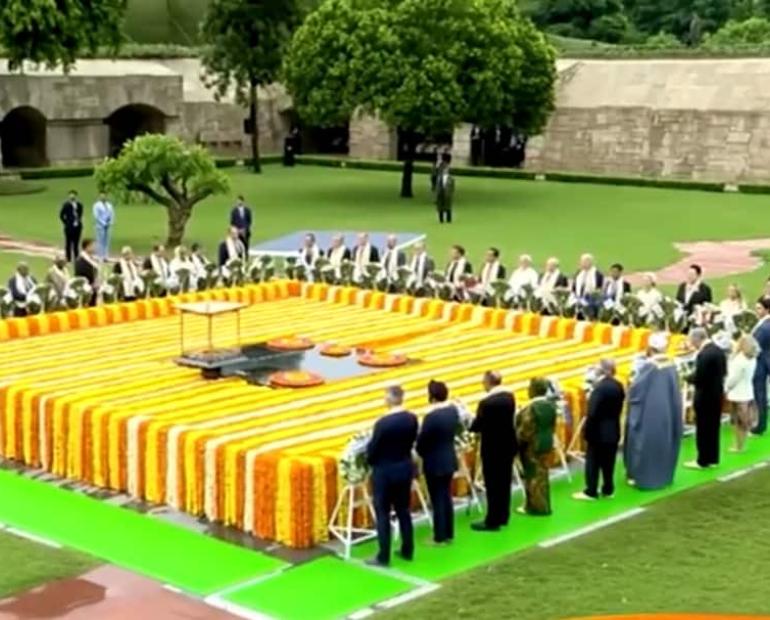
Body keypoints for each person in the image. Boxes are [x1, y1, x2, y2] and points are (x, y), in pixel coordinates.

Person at [366, 385, 418, 567]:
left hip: (385, 472)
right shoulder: (412, 419)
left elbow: (372, 450)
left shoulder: (383, 424)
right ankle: (408, 549)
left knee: (383, 514)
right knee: (404, 511)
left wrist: (370, 460)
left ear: (389, 399)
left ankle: (383, 555)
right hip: (404, 469)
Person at [624, 333, 683, 490]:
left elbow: (635, 390)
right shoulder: (671, 365)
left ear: (650, 348)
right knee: (664, 442)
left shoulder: (649, 367)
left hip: (648, 413)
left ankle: (645, 478)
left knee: (644, 445)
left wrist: (630, 382)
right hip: (668, 412)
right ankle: (663, 476)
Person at [470, 371, 517, 531]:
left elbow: (476, 426)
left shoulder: (486, 403)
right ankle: (503, 516)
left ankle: (492, 520)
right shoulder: (509, 397)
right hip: (508, 445)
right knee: (504, 482)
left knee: (493, 484)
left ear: (489, 382)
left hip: (492, 448)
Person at [574, 359, 625, 500]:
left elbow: (592, 411)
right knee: (609, 462)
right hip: (613, 429)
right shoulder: (618, 385)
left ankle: (591, 491)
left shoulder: (600, 388)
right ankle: (608, 489)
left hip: (598, 432)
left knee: (593, 462)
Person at [416, 380, 459, 545]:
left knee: (437, 498)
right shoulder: (452, 411)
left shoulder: (431, 417)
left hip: (434, 462)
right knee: (446, 496)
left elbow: (422, 441)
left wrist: (420, 451)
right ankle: (449, 532)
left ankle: (439, 536)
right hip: (449, 458)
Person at [685, 328, 727, 470]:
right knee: (713, 428)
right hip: (717, 394)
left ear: (697, 339)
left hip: (705, 396)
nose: (692, 344)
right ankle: (713, 458)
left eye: (692, 341)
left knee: (703, 428)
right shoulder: (718, 351)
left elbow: (700, 377)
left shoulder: (704, 354)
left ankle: (702, 460)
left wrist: (687, 377)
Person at [515, 378, 557, 516]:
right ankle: (544, 504)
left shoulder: (531, 409)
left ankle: (535, 507)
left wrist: (517, 442)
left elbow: (525, 431)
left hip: (532, 446)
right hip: (547, 442)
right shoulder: (550, 405)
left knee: (532, 476)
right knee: (543, 475)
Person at [725, 334, 759, 452]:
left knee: (738, 422)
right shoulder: (752, 358)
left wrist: (726, 387)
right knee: (743, 421)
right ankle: (741, 444)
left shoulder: (739, 360)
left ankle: (738, 446)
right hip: (748, 391)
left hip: (738, 394)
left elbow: (733, 379)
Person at [751, 297, 770, 435]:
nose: (756, 311)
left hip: (761, 363)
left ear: (766, 309)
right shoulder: (764, 324)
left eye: (759, 308)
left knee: (760, 394)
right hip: (764, 361)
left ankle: (760, 425)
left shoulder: (764, 327)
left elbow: (754, 346)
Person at [573, 254, 604, 319]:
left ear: (589, 262)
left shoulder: (597, 274)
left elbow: (599, 290)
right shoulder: (579, 273)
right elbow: (574, 287)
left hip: (591, 303)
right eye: (581, 262)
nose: (581, 263)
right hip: (578, 302)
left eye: (583, 262)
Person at [59, 190, 84, 263]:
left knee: (76, 243)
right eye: (71, 195)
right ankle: (68, 258)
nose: (72, 196)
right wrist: (66, 222)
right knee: (68, 243)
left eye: (73, 195)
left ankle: (76, 257)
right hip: (69, 227)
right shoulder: (66, 205)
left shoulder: (79, 205)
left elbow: (80, 214)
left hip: (77, 226)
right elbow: (61, 215)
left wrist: (78, 221)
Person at [74, 238, 100, 306]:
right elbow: (80, 275)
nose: (94, 248)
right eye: (92, 246)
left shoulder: (92, 259)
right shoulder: (80, 260)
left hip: (93, 289)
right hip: (85, 291)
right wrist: (91, 283)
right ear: (87, 247)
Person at [92, 192, 115, 261]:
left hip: (108, 225)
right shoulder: (96, 205)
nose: (103, 197)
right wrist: (103, 223)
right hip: (100, 225)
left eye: (104, 196)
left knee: (107, 241)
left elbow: (112, 214)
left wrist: (110, 222)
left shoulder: (109, 205)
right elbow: (96, 216)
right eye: (101, 196)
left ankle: (106, 256)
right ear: (99, 197)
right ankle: (100, 256)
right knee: (100, 241)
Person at [435, 153, 455, 224]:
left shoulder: (451, 178)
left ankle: (449, 220)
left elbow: (452, 188)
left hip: (447, 194)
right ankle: (441, 220)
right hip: (441, 193)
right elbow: (437, 186)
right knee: (440, 207)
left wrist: (450, 194)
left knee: (448, 207)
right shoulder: (439, 178)